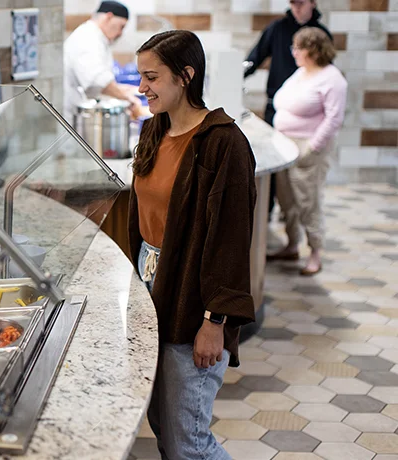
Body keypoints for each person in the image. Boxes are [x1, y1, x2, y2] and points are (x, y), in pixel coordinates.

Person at [128, 30, 256, 459]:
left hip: (193, 300)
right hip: (151, 293)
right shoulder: (153, 130)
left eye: (151, 77)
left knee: (188, 442)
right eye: (140, 76)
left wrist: (215, 320)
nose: (141, 88)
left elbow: (231, 240)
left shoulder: (224, 143)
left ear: (186, 76)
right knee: (165, 426)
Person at [266, 27, 347, 276]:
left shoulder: (333, 79)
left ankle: (315, 252)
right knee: (286, 199)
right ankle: (291, 245)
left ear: (313, 50)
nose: (294, 52)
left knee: (308, 201)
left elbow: (334, 119)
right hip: (285, 144)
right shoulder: (301, 73)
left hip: (308, 147)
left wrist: (312, 147)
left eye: (298, 48)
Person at [244, 0, 333, 221]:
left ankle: (296, 224)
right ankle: (268, 216)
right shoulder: (277, 28)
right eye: (292, 3)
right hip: (278, 108)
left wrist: (314, 144)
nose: (296, 8)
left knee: (302, 182)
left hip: (307, 120)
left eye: (300, 3)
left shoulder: (321, 35)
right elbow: (254, 59)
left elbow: (327, 80)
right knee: (275, 174)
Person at [63, 0, 144, 124]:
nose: (120, 33)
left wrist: (126, 90)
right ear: (109, 17)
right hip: (74, 117)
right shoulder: (87, 37)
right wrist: (127, 97)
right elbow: (97, 81)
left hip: (81, 114)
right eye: (121, 26)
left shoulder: (97, 37)